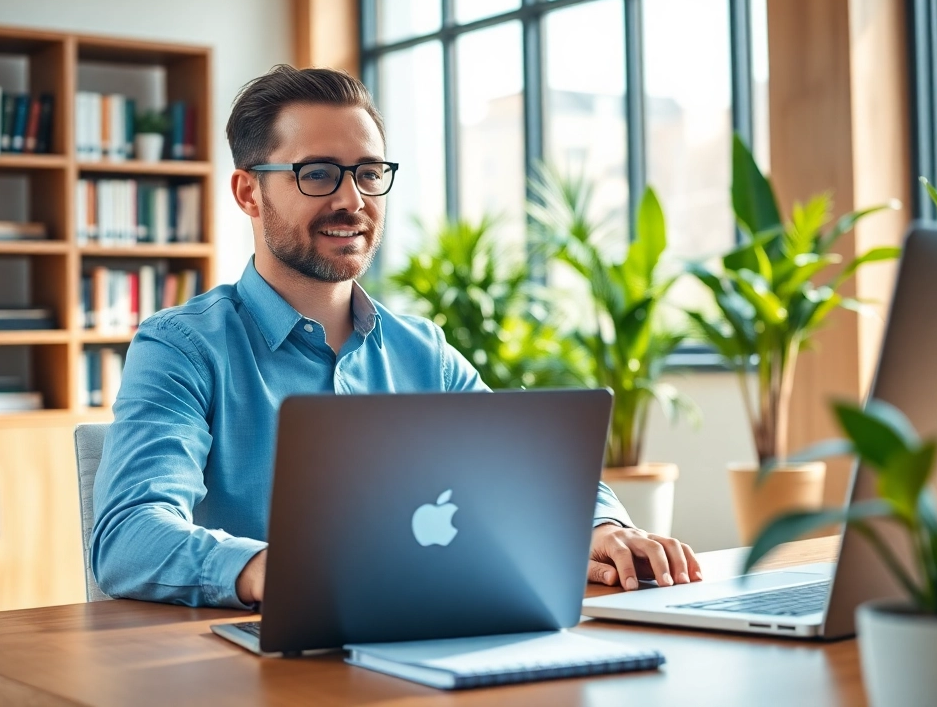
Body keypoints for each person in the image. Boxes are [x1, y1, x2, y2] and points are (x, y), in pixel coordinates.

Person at [90, 65, 702, 609]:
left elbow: (527, 473)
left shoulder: (425, 353)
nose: (352, 200)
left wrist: (600, 528)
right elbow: (127, 534)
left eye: (368, 173)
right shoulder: (182, 348)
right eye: (318, 174)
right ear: (249, 191)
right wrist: (267, 569)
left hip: (424, 637)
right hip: (258, 663)